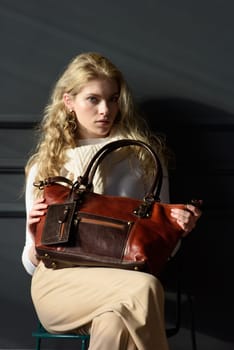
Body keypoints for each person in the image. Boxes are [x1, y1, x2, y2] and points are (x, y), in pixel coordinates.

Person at [22, 52, 201, 350]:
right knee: (143, 290)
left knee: (119, 315)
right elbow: (30, 264)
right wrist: (32, 237)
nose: (106, 110)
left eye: (113, 99)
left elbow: (160, 252)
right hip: (60, 288)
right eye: (93, 99)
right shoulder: (47, 165)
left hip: (125, 283)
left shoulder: (143, 159)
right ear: (69, 102)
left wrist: (177, 230)